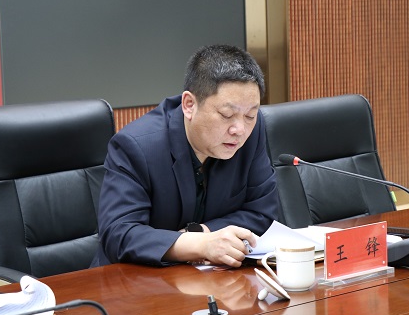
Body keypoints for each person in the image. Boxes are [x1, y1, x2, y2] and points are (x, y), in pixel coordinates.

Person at [91, 44, 279, 267]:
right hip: (137, 278)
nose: (239, 129)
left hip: (213, 277)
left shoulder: (252, 131)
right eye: (227, 114)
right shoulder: (136, 146)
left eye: (250, 115)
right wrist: (199, 245)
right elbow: (119, 234)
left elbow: (263, 213)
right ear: (189, 105)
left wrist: (203, 233)